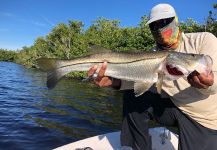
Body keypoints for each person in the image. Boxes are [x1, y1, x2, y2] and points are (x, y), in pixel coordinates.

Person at [88, 3, 217, 150]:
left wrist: (208, 84)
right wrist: (113, 82)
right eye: (154, 25)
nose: (159, 28)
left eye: (164, 22)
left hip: (203, 119)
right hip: (173, 108)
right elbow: (138, 81)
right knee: (133, 97)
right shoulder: (153, 53)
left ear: (176, 20)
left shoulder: (204, 40)